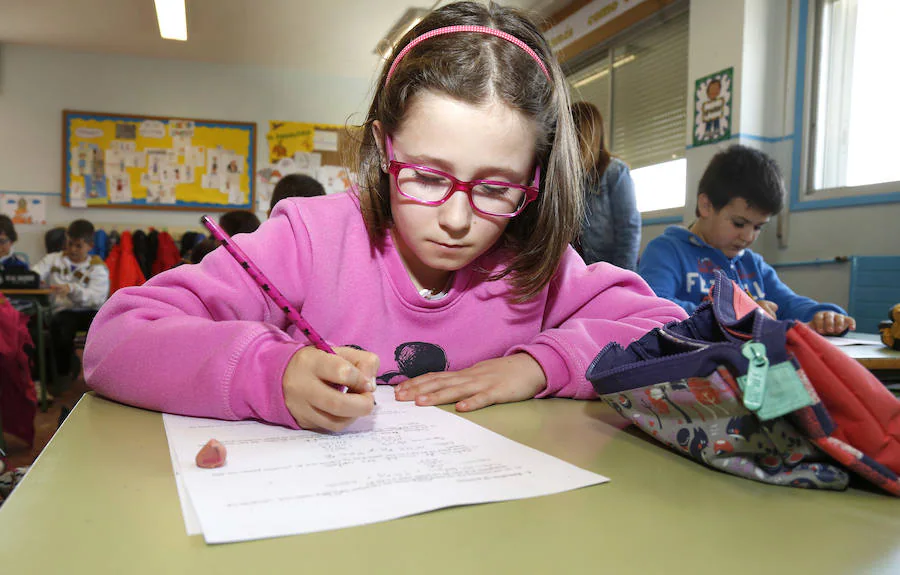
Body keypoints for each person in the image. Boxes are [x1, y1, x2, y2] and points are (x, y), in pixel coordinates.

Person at [84, 1, 686, 433]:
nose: (456, 219)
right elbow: (116, 339)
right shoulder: (308, 239)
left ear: (535, 177)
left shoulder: (534, 266)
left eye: (497, 187)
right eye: (426, 176)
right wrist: (271, 371)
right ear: (383, 147)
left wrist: (539, 363)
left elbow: (667, 331)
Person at [638, 145, 855, 336]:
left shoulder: (753, 265)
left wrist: (823, 315)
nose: (748, 237)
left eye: (758, 227)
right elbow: (656, 307)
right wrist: (731, 312)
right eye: (739, 224)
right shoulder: (666, 251)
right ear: (706, 206)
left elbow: (789, 303)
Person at [32, 219, 110, 378]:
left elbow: (96, 298)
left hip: (90, 312)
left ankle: (98, 374)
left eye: (78, 246)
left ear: (90, 246)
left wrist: (71, 289)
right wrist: (37, 282)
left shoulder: (97, 267)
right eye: (69, 243)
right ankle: (64, 375)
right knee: (59, 328)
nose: (72, 249)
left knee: (104, 331)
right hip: (64, 312)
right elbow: (33, 275)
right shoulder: (53, 259)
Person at [571, 102, 640, 270]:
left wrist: (624, 280)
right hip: (579, 271)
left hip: (610, 268)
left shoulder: (615, 172)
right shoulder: (570, 178)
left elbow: (628, 231)